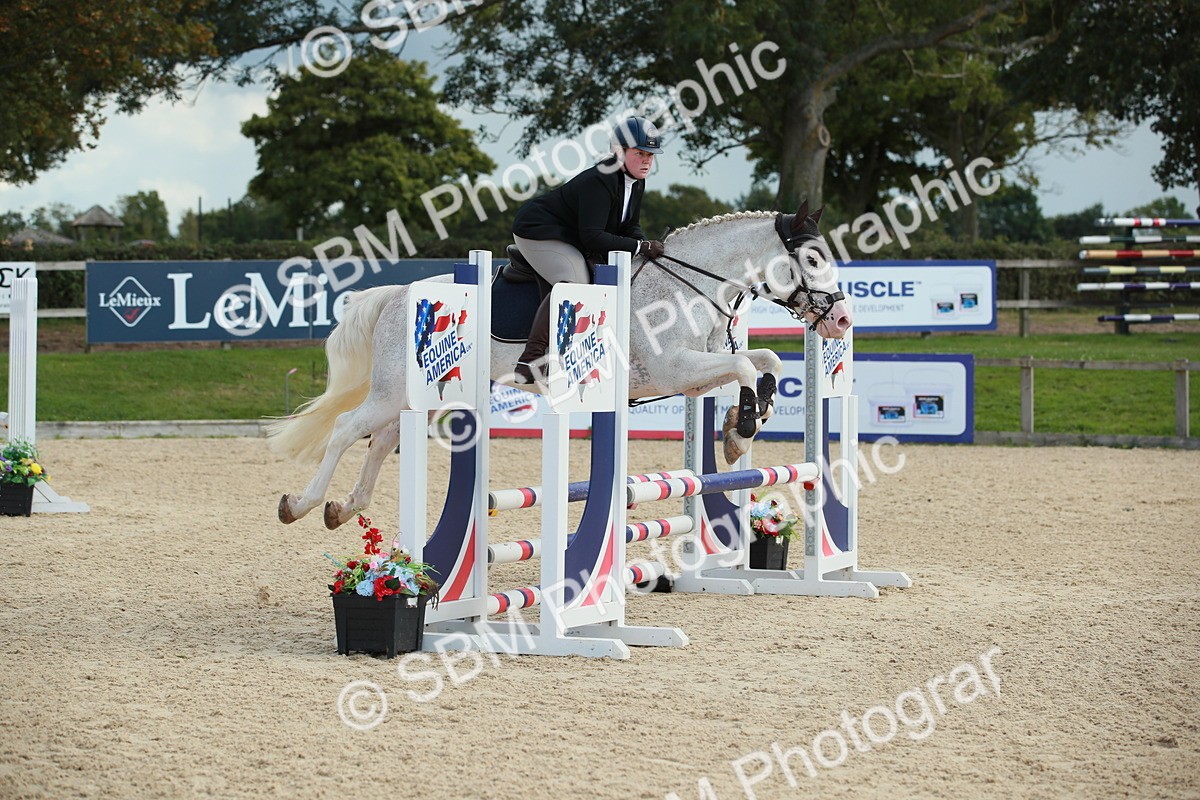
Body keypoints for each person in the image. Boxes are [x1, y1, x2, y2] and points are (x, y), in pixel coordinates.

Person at [509, 116, 667, 384]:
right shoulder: (601, 180)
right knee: (576, 283)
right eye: (639, 153)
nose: (646, 161)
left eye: (650, 155)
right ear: (619, 152)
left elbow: (630, 226)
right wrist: (639, 246)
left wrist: (644, 243)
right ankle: (530, 359)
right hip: (538, 231)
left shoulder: (636, 181)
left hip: (572, 236)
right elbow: (593, 237)